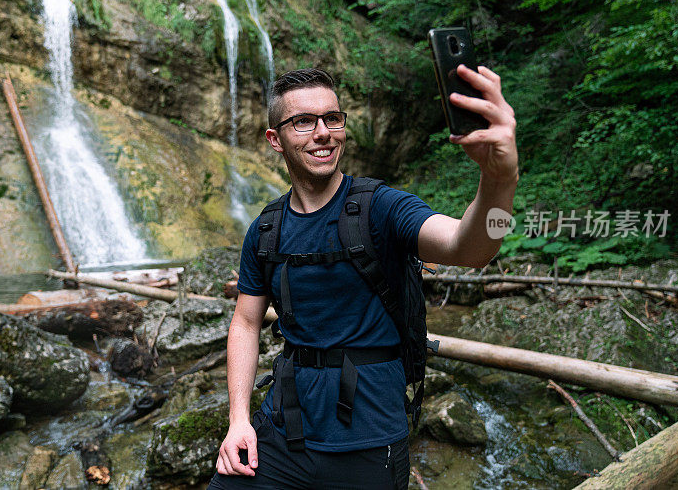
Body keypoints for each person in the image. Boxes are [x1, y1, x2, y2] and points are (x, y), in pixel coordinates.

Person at [208, 66, 518, 489]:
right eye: (304, 121)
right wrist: (239, 420)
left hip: (369, 446)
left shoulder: (382, 208)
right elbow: (245, 323)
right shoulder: (266, 230)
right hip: (280, 436)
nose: (324, 133)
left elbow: (473, 250)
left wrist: (501, 181)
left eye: (332, 118)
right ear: (274, 139)